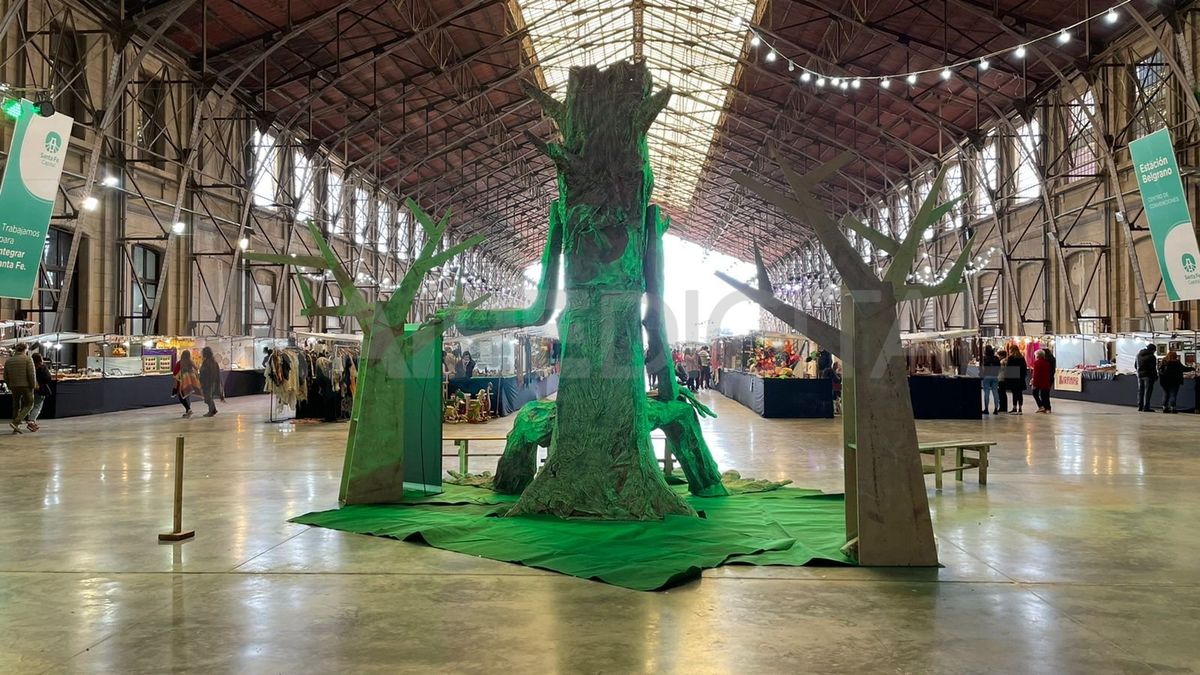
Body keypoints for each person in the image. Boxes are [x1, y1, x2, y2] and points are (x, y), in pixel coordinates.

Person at [4, 343, 37, 434]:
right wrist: (33, 385)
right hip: (26, 386)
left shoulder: (9, 360)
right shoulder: (27, 359)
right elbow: (31, 374)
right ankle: (16, 422)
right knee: (29, 404)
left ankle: (16, 427)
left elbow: (5, 376)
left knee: (16, 405)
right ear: (25, 349)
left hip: (14, 386)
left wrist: (9, 384)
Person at [23, 352, 53, 432]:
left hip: (29, 388)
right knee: (37, 406)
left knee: (29, 405)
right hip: (40, 389)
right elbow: (48, 378)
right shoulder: (42, 367)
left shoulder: (28, 367)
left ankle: (27, 419)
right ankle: (31, 421)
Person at [172, 350, 200, 417]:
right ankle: (188, 410)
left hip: (182, 381)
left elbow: (174, 373)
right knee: (186, 395)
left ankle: (188, 409)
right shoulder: (190, 361)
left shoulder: (179, 362)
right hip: (190, 381)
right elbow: (196, 368)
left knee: (181, 396)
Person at [199, 346, 222, 417]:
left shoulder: (207, 362)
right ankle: (213, 410)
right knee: (208, 397)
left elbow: (205, 372)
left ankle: (211, 411)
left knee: (208, 398)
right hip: (212, 382)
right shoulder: (213, 362)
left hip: (208, 383)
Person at [1135, 343, 1158, 412]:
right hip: (1148, 375)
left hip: (1140, 375)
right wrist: (1155, 376)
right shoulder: (1152, 357)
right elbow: (1153, 368)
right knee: (1148, 391)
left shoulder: (1138, 355)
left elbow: (1135, 365)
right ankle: (1146, 406)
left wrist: (1139, 371)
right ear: (1152, 350)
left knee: (1140, 391)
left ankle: (1140, 406)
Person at [1005, 344, 1027, 415]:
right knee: (1020, 393)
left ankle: (1014, 408)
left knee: (1014, 393)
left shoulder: (1011, 358)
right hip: (1020, 378)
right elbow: (1024, 368)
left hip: (1013, 378)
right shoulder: (1022, 358)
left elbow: (1008, 368)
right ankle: (1020, 409)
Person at [980, 345, 1001, 415]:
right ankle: (996, 409)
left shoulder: (984, 358)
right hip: (995, 376)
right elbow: (999, 368)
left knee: (986, 393)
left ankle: (986, 409)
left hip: (986, 376)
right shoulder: (997, 358)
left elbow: (982, 368)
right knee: (995, 393)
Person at [1031, 349, 1054, 413]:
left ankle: (1041, 406)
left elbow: (1036, 374)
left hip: (1039, 381)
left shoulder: (1037, 363)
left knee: (1035, 393)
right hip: (1046, 381)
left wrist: (1034, 383)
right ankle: (1047, 408)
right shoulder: (1047, 363)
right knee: (1045, 395)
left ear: (1037, 356)